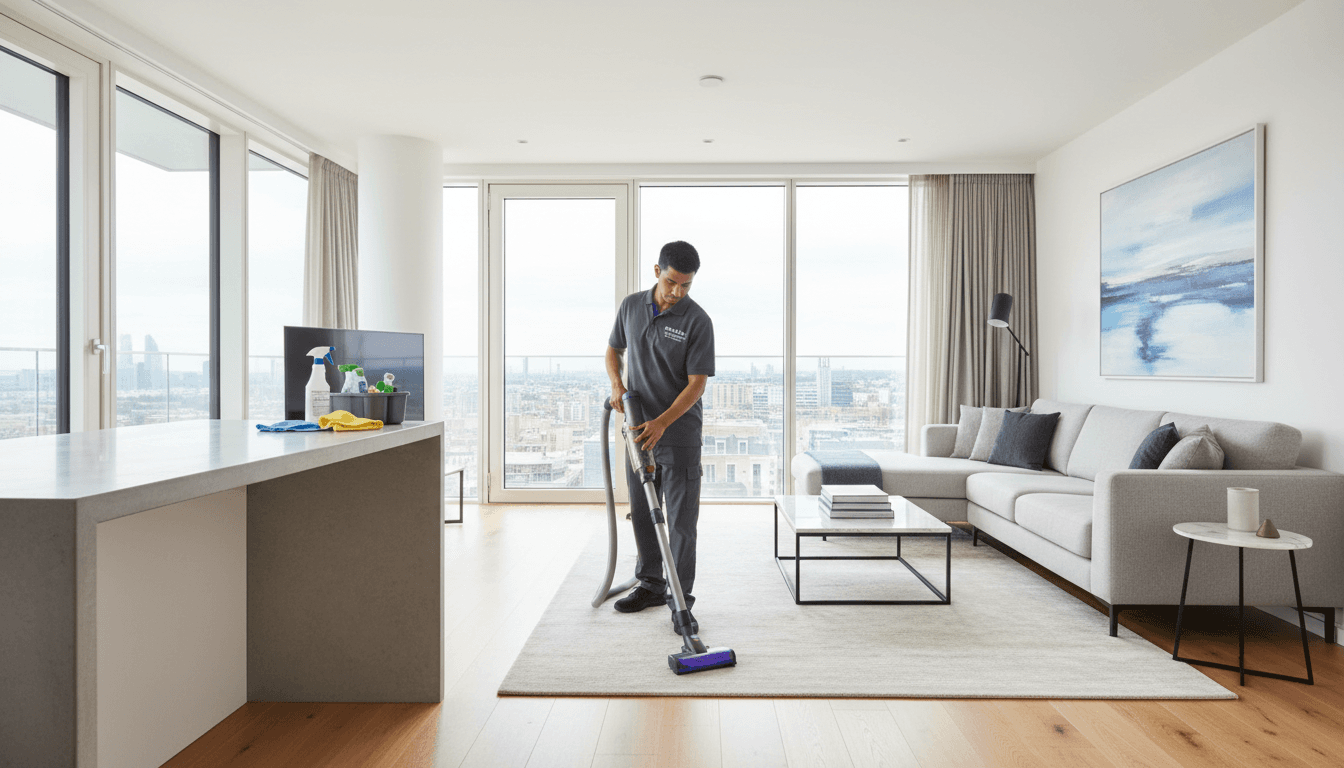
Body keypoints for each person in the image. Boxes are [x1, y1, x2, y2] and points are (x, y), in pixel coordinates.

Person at [605, 240, 715, 634]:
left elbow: (697, 383)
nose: (677, 292)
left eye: (686, 285)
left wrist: (663, 422)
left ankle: (681, 602)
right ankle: (650, 584)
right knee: (643, 511)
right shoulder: (631, 306)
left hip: (679, 432)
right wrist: (616, 384)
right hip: (639, 429)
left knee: (681, 523)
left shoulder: (697, 321)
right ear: (657, 271)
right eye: (671, 282)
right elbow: (613, 350)